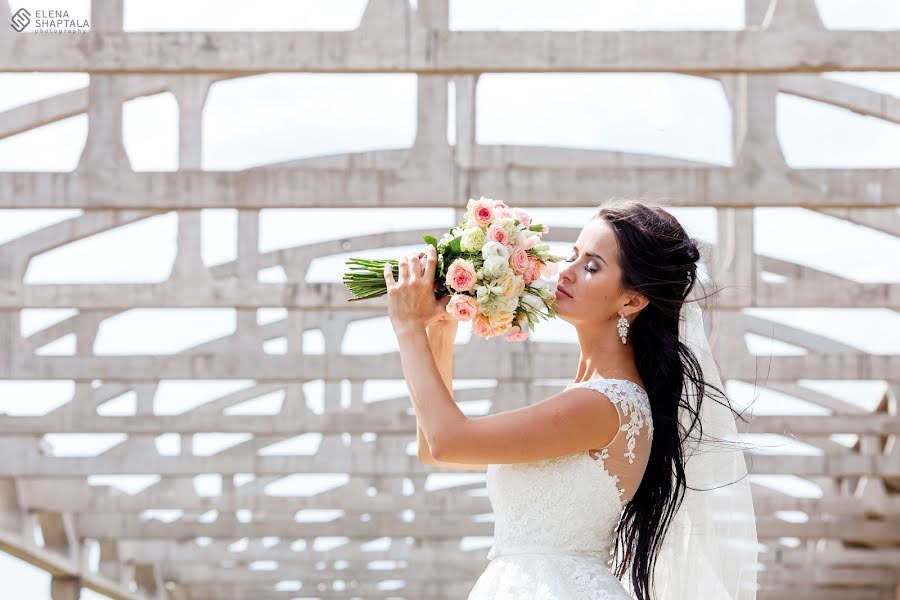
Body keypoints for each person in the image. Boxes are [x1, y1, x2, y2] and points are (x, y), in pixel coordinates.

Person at [383, 198, 758, 600]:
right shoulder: (591, 398)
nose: (568, 271)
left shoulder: (604, 404)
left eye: (592, 266)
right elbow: (437, 449)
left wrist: (407, 328)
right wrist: (439, 330)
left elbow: (448, 440)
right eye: (573, 255)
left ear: (632, 301)